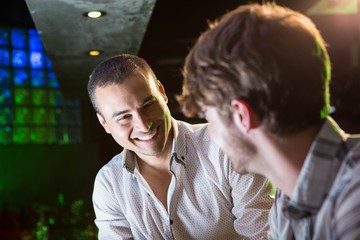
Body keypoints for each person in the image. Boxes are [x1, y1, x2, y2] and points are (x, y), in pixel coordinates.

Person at [177, 3, 360, 240]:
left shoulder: (354, 194)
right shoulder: (286, 202)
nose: (211, 134)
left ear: (241, 116)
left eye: (209, 118)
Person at [87, 53, 273, 239]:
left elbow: (262, 235)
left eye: (148, 105)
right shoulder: (109, 184)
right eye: (124, 117)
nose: (144, 125)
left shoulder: (227, 145)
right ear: (104, 123)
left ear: (162, 93)